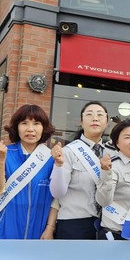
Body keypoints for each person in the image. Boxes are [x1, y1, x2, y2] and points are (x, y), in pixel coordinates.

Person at [0, 104, 57, 240]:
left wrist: (50, 228)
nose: (30, 129)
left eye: (36, 123)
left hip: (39, 232)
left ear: (44, 128)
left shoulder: (51, 158)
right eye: (24, 123)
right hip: (3, 231)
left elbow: (56, 199)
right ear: (16, 127)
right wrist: (0, 160)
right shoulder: (2, 153)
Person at [50, 101, 108, 240]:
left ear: (107, 123)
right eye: (89, 114)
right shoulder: (69, 152)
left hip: (105, 224)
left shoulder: (111, 153)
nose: (95, 118)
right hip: (73, 223)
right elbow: (57, 193)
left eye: (100, 115)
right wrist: (59, 165)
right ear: (81, 122)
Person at [96, 119, 130, 240]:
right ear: (117, 142)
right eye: (127, 137)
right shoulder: (112, 166)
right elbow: (103, 201)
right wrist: (106, 171)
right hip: (116, 234)